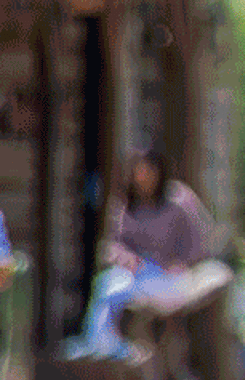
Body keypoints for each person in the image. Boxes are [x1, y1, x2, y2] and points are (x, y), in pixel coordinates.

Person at [66, 149, 230, 360]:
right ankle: (104, 344)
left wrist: (181, 263)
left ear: (159, 171)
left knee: (118, 292)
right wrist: (126, 259)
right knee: (106, 284)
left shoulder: (179, 199)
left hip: (171, 279)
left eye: (147, 171)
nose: (142, 177)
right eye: (138, 171)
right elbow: (113, 245)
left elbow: (200, 242)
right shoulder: (127, 204)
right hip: (139, 274)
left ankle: (106, 345)